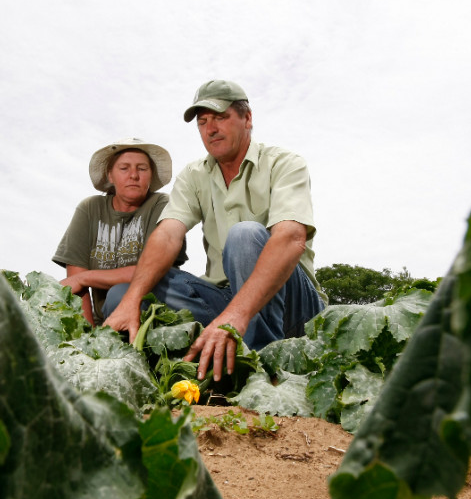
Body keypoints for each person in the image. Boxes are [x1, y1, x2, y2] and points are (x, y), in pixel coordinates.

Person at [104, 80, 327, 381]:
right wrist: (133, 299)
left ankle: (261, 373)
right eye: (203, 121)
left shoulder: (284, 163)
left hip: (293, 308)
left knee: (245, 235)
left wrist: (236, 316)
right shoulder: (194, 175)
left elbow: (291, 238)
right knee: (123, 294)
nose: (210, 129)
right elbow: (169, 233)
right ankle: (174, 374)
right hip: (227, 302)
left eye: (220, 117)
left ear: (247, 118)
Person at [52, 138, 188, 325]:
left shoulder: (161, 205)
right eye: (124, 168)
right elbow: (75, 284)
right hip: (103, 322)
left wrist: (86, 278)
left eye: (142, 169)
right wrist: (88, 339)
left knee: (118, 294)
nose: (133, 175)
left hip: (152, 314)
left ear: (150, 175)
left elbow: (149, 271)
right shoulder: (89, 209)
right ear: (110, 176)